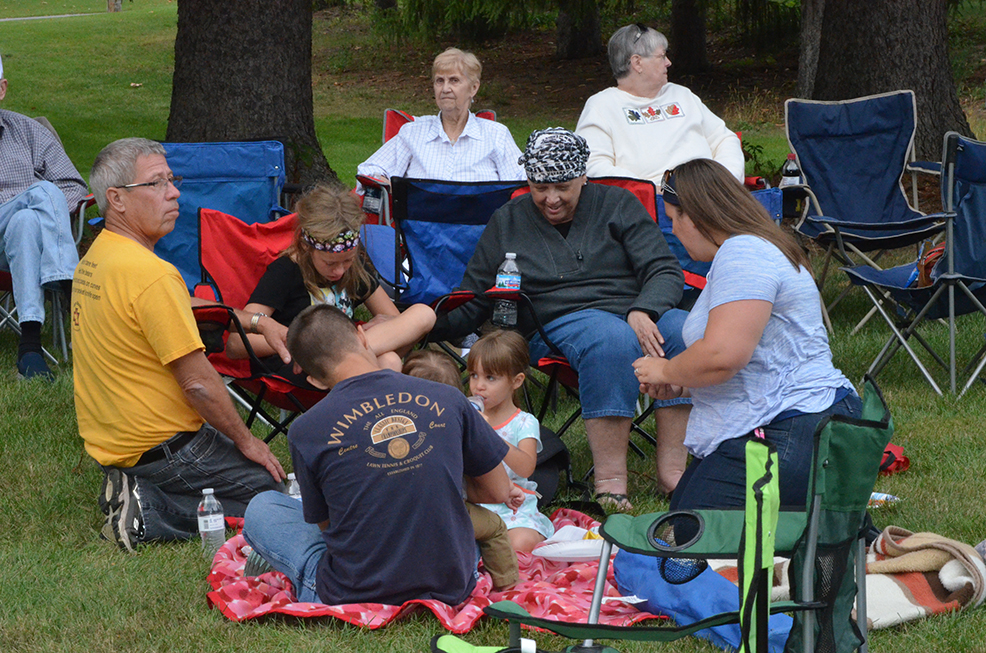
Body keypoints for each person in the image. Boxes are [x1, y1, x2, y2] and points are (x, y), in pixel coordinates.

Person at [432, 127, 688, 510]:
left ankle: (675, 472)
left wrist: (644, 309)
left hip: (634, 308)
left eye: (563, 187)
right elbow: (478, 294)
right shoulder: (509, 220)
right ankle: (611, 480)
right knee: (611, 339)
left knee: (684, 330)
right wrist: (430, 323)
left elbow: (664, 270)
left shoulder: (617, 204)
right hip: (556, 320)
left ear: (583, 177)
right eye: (539, 187)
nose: (551, 199)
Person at [74, 138, 287, 552]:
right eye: (157, 183)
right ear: (116, 199)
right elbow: (199, 385)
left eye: (172, 180)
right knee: (273, 495)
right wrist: (248, 441)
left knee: (253, 489)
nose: (174, 192)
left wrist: (258, 320)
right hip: (164, 446)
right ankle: (149, 509)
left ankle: (136, 488)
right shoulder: (151, 274)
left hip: (113, 443)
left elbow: (179, 302)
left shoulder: (100, 257)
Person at [243, 304, 512, 606]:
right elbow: (499, 490)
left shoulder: (306, 430)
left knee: (263, 507)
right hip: (450, 582)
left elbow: (328, 528)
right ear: (362, 335)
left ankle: (290, 569)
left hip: (354, 593)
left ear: (314, 380)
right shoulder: (448, 397)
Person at [632, 159, 860, 510]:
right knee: (684, 520)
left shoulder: (744, 254)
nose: (673, 230)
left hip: (795, 425)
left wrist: (664, 370)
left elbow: (723, 355)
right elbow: (762, 360)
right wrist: (682, 384)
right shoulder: (753, 249)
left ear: (697, 216)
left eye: (674, 218)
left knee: (692, 538)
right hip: (796, 422)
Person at [227, 183, 435, 376]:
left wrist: (385, 323)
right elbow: (236, 344)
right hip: (303, 364)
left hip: (350, 360)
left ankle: (354, 364)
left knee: (422, 316)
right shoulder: (286, 271)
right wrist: (305, 342)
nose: (339, 270)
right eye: (330, 263)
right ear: (307, 248)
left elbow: (394, 320)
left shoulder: (352, 268)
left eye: (347, 261)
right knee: (387, 361)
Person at [402, 348, 522, 591]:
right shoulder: (462, 422)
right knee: (496, 527)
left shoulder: (393, 425)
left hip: (397, 513)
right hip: (445, 513)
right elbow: (481, 474)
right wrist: (508, 488)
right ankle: (508, 585)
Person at [0, 54, 89, 380]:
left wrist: (37, 214)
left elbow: (73, 185)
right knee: (42, 192)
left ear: (2, 89)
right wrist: (36, 198)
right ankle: (69, 283)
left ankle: (30, 348)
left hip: (26, 241)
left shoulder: (27, 130)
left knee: (28, 219)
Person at [575, 24, 744, 185]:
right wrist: (650, 190)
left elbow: (724, 139)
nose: (668, 62)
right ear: (637, 63)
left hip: (708, 196)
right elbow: (593, 166)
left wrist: (726, 182)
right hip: (649, 206)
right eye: (662, 56)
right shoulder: (603, 106)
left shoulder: (681, 95)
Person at [356, 47, 525, 190]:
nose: (445, 89)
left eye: (454, 80)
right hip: (419, 227)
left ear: (473, 88)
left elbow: (522, 178)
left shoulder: (496, 134)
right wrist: (390, 187)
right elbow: (368, 170)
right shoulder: (412, 132)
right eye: (439, 81)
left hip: (482, 228)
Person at [467, 330, 554, 553]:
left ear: (516, 381)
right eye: (474, 375)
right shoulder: (467, 415)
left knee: (519, 544)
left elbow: (525, 467)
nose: (479, 386)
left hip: (514, 506)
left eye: (491, 378)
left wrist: (489, 435)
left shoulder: (524, 422)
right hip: (476, 502)